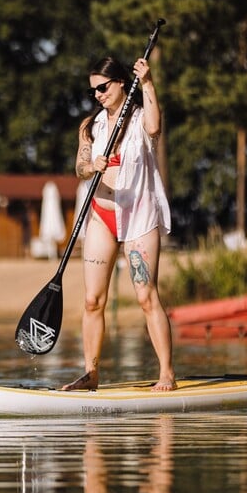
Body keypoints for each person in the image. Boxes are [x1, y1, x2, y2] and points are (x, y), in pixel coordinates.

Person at [63, 55, 175, 392]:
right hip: (101, 214)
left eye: (103, 87)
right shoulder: (90, 126)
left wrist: (149, 82)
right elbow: (80, 168)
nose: (97, 94)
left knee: (145, 296)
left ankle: (167, 373)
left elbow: (156, 128)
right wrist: (91, 165)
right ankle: (91, 373)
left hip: (139, 216)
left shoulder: (140, 117)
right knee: (92, 300)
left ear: (121, 83)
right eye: (92, 90)